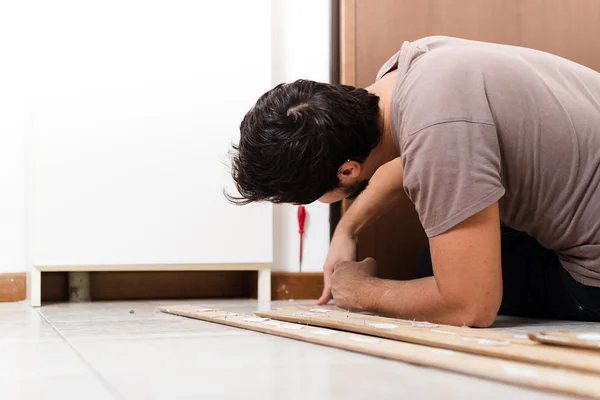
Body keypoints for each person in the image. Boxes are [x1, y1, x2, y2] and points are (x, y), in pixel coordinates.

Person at [228, 36, 600, 326]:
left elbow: (471, 306)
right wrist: (347, 230)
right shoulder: (413, 70)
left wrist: (359, 291)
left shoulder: (437, 129)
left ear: (347, 171)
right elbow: (417, 160)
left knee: (438, 273)